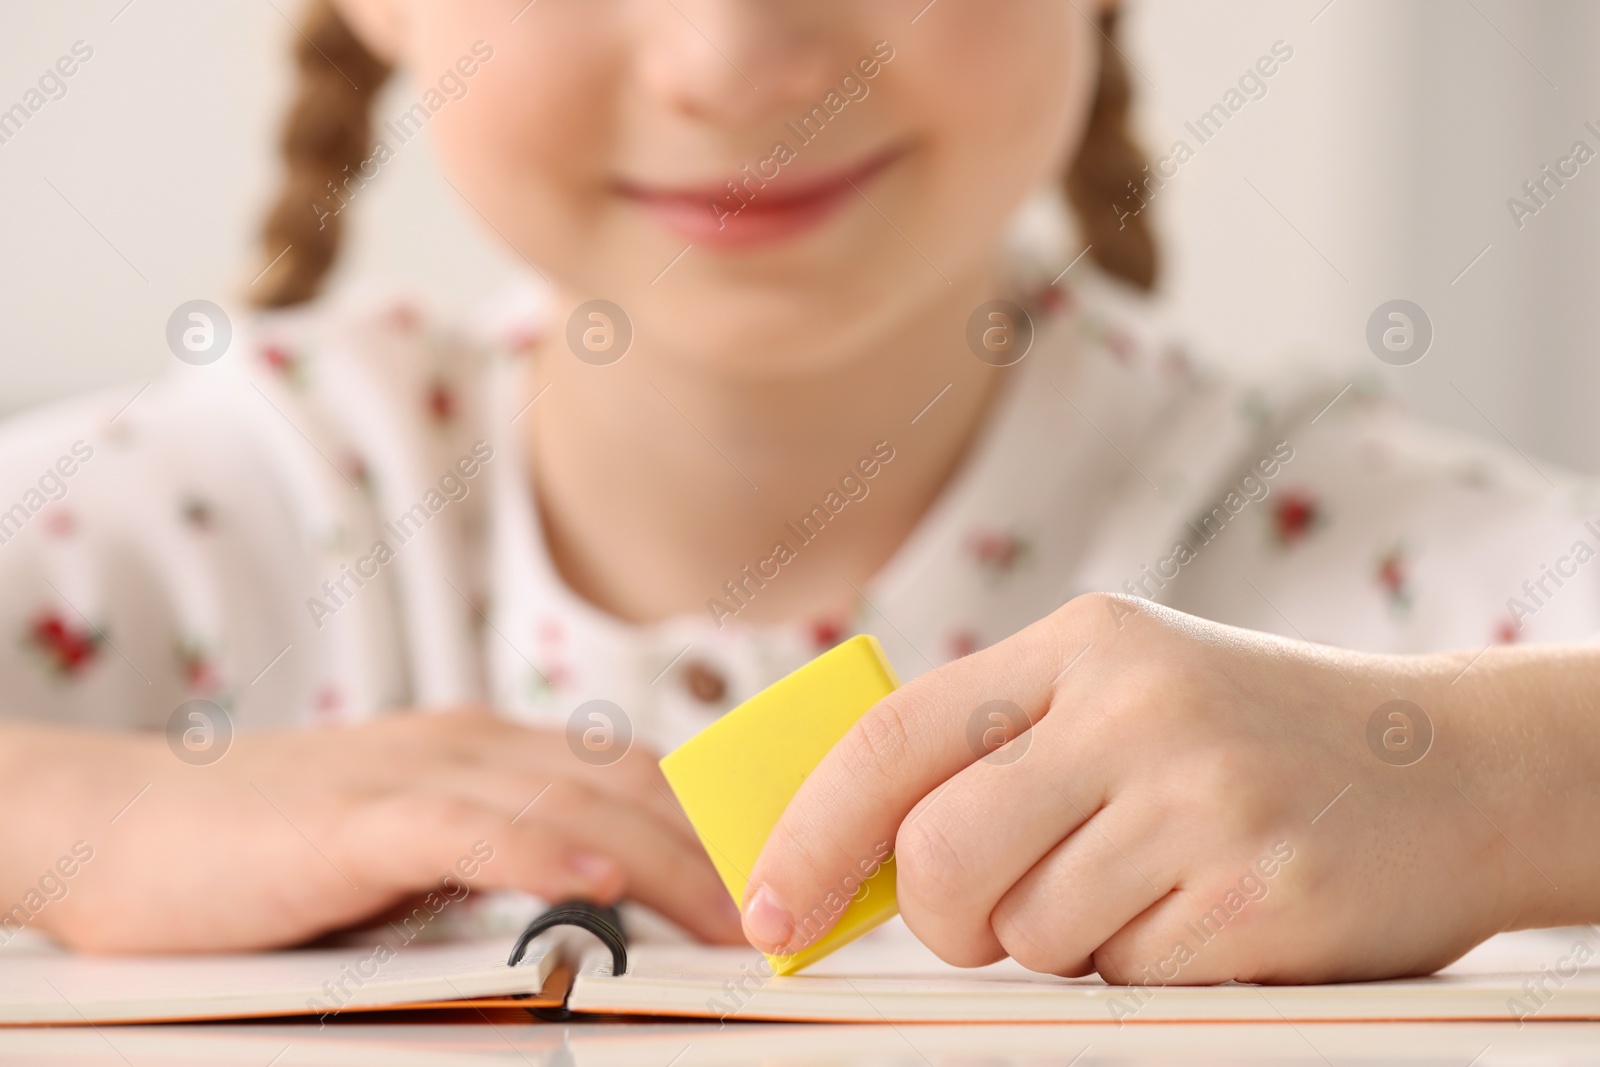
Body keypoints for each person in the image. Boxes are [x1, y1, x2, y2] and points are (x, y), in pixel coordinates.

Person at [1, 0, 1595, 984]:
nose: (736, 58)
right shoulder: (210, 518)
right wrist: (84, 818)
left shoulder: (1389, 580)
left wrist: (1495, 783)